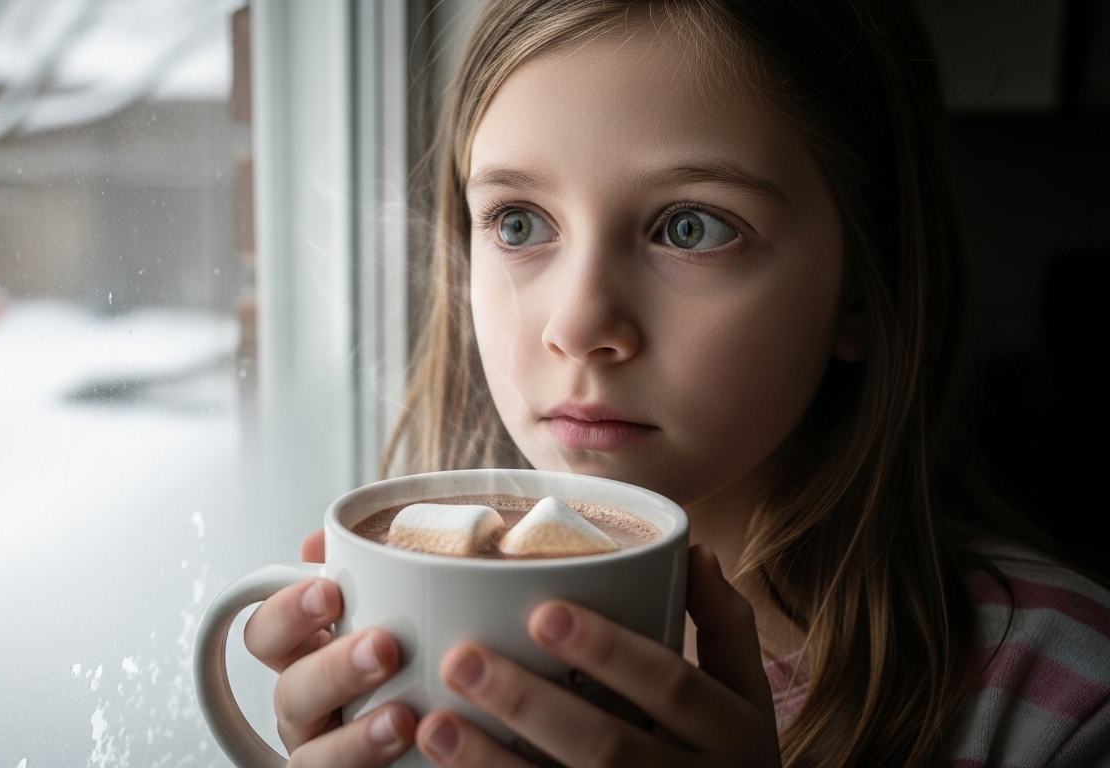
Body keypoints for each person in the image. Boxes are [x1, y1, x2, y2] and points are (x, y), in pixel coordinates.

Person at [241, 1, 1110, 766]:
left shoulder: (1066, 704)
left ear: (861, 287)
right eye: (518, 221)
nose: (577, 325)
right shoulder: (396, 641)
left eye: (689, 228)